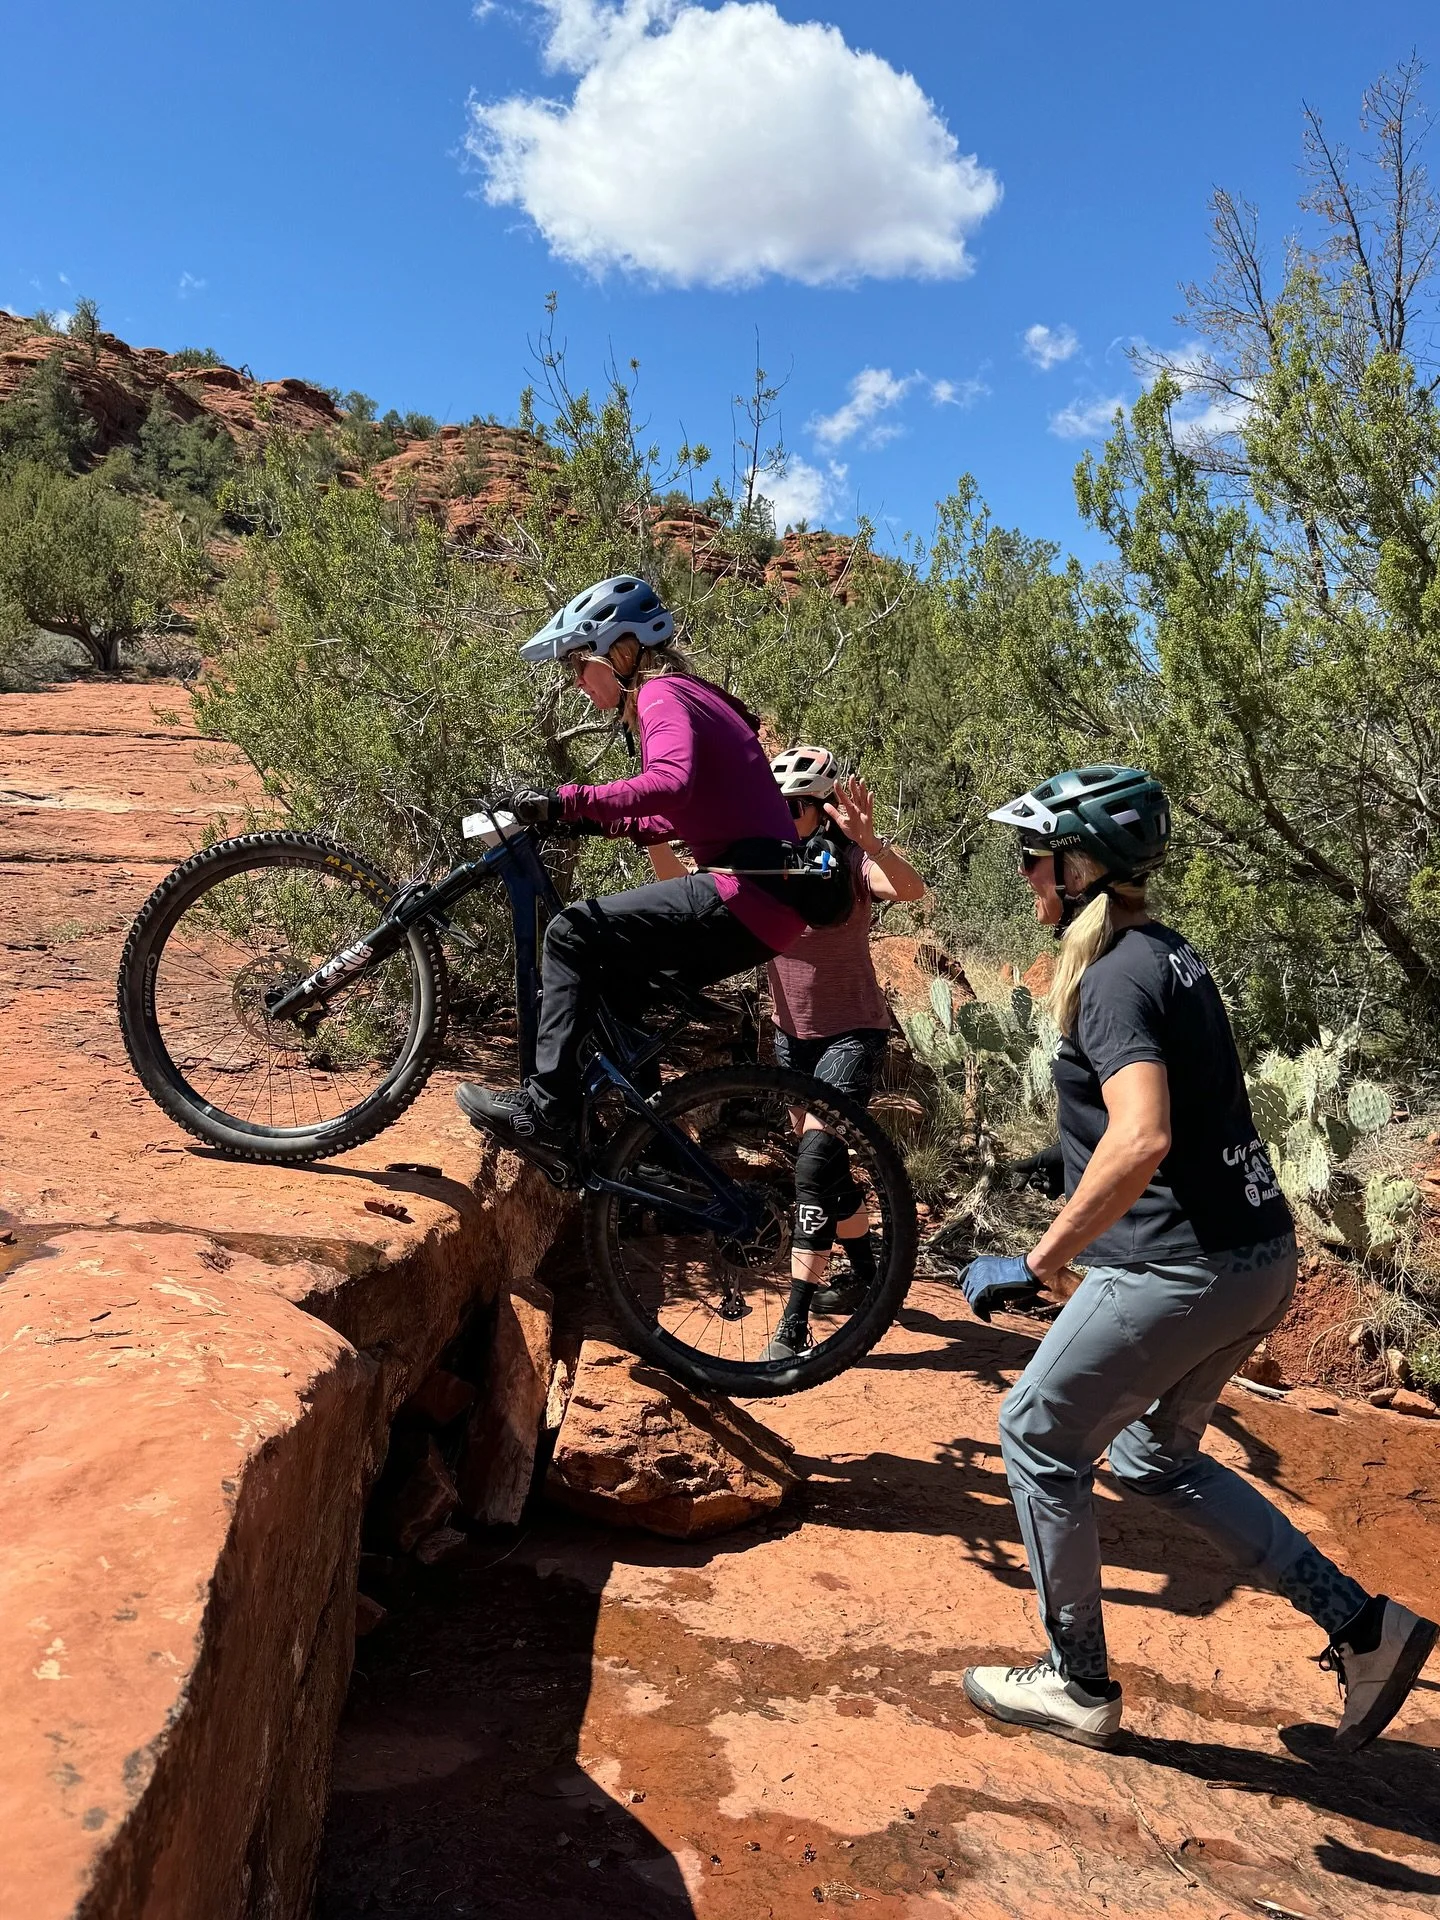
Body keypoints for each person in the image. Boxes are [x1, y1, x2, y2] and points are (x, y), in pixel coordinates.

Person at [958, 764, 1437, 1753]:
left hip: (1179, 1269)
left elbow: (1142, 1139)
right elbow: (1163, 1110)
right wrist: (1059, 1162)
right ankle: (1363, 1629)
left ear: (1081, 866)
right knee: (1151, 1456)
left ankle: (1075, 1679)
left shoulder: (1111, 976)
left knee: (1035, 1434)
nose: (1024, 874)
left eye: (1035, 857)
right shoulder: (1164, 954)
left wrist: (1041, 1260)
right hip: (1254, 1257)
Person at [456, 576, 808, 1161]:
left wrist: (569, 800)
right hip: (768, 905)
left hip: (745, 891)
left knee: (569, 933)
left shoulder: (661, 695)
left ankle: (547, 1114)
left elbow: (670, 784)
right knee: (617, 991)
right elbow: (675, 816)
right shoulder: (694, 695)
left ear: (618, 652)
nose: (575, 682)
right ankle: (657, 1153)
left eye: (578, 665)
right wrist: (584, 820)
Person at [752, 746, 926, 1360]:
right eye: (777, 805)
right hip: (790, 1034)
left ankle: (796, 1319)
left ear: (821, 809)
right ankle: (872, 1278)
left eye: (795, 806)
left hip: (851, 1032)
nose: (784, 814)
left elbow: (911, 889)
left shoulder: (845, 862)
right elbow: (685, 889)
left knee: (812, 1168)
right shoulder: (766, 861)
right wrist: (655, 840)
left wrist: (872, 842)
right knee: (828, 1170)